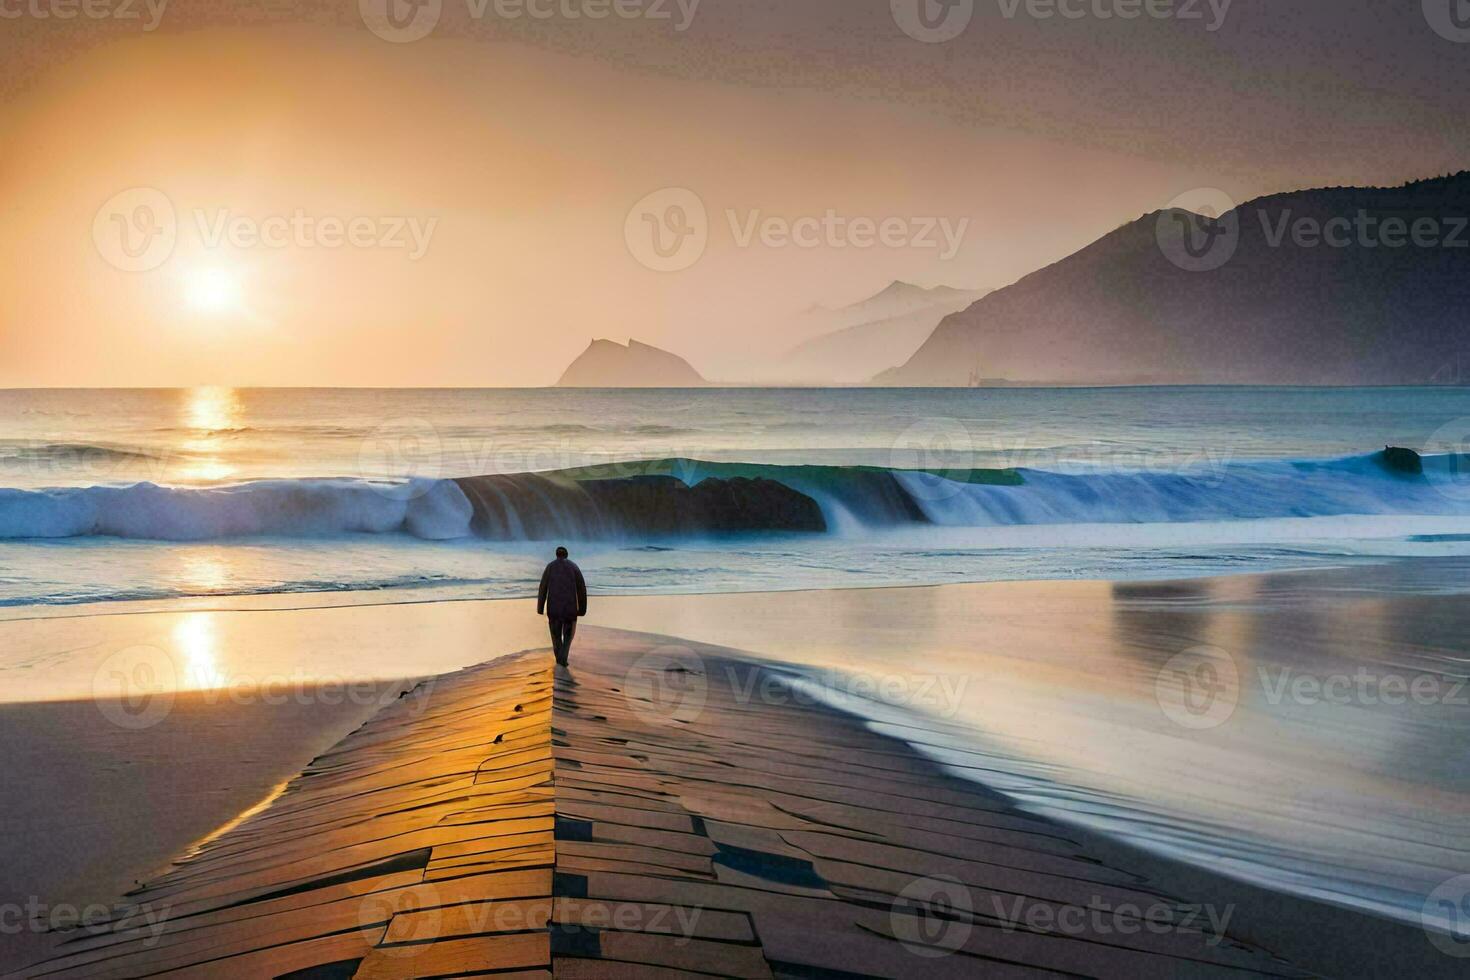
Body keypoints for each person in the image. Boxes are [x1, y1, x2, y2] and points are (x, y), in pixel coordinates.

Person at [537, 546, 587, 666]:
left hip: (553, 608)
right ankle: (562, 658)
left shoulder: (550, 567)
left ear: (556, 555)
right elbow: (581, 589)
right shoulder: (574, 567)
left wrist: (540, 608)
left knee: (556, 636)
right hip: (570, 608)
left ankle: (559, 658)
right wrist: (582, 609)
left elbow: (542, 588)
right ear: (566, 555)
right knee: (568, 636)